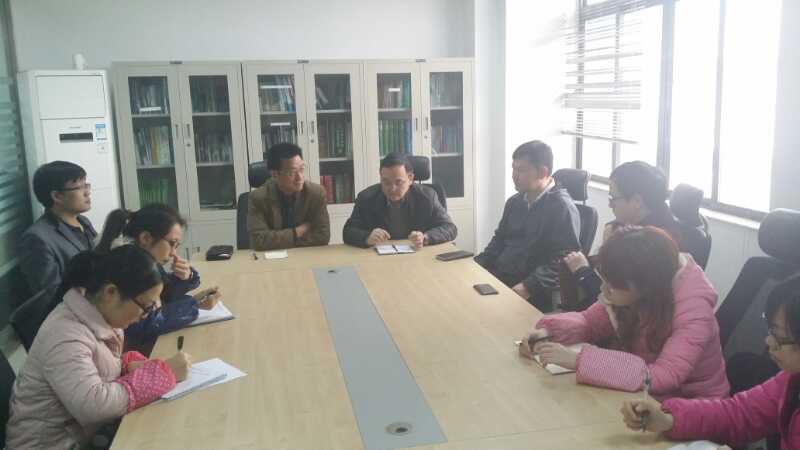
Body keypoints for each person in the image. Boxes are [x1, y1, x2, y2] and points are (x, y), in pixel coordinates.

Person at [6, 245, 191, 449]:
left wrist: (125, 367)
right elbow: (93, 405)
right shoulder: (65, 336)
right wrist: (160, 375)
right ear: (111, 292)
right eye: (146, 307)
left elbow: (94, 366)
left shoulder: (101, 315)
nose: (145, 316)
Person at [520, 226, 729, 400]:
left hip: (693, 408)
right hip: (644, 398)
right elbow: (589, 322)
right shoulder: (638, 289)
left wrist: (578, 361)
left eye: (612, 286)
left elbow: (664, 376)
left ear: (643, 285)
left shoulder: (694, 310)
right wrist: (548, 334)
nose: (604, 291)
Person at [620, 279, 800, 449]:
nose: (768, 341)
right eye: (771, 331)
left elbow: (667, 373)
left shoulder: (693, 302)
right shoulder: (790, 380)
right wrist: (669, 420)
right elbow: (739, 414)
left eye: (779, 336)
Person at [96, 204, 221, 351]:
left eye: (177, 246)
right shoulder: (124, 265)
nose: (173, 253)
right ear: (146, 238)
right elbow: (143, 324)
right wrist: (194, 306)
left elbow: (162, 294)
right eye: (172, 244)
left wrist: (187, 277)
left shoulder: (143, 259)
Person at [474, 140, 580, 309]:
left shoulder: (561, 207)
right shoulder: (515, 202)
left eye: (521, 170)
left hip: (532, 290)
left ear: (543, 172)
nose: (514, 176)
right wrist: (476, 265)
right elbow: (499, 240)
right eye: (513, 169)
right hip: (502, 278)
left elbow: (563, 260)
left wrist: (528, 286)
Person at [562, 161, 684, 305]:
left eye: (613, 198)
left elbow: (613, 301)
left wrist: (582, 270)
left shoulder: (651, 245)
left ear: (637, 201)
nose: (609, 205)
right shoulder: (649, 222)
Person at [18, 161, 97, 305]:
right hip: (74, 313)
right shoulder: (36, 238)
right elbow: (51, 295)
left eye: (86, 185)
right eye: (79, 187)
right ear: (57, 196)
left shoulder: (83, 221)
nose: (87, 192)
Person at [343, 152, 456, 249]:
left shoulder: (427, 197)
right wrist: (367, 237)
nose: (392, 189)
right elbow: (348, 232)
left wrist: (425, 237)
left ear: (410, 178)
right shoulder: (366, 198)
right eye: (386, 182)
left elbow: (450, 228)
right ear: (380, 178)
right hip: (380, 258)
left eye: (398, 182)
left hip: (418, 256)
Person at [248, 143, 330, 250]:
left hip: (306, 255)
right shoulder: (258, 198)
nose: (300, 177)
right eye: (292, 172)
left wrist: (277, 240)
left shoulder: (316, 194)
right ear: (275, 175)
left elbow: (323, 237)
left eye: (301, 169)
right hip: (271, 258)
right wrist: (297, 232)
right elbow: (258, 241)